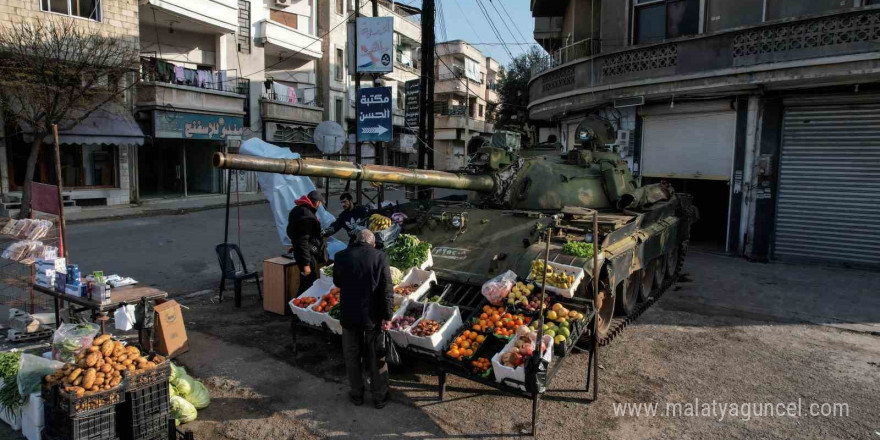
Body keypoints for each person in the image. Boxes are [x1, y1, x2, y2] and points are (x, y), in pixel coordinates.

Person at [334, 229, 394, 408]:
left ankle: (357, 394)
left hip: (349, 315)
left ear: (356, 241)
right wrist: (387, 315)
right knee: (377, 357)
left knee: (352, 356)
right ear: (373, 244)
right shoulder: (380, 256)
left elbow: (337, 282)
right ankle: (379, 397)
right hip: (372, 317)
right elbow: (386, 290)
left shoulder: (340, 256)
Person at [287, 190, 327, 292]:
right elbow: (303, 240)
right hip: (307, 256)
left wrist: (294, 244)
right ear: (317, 202)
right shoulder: (307, 217)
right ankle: (297, 305)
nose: (320, 205)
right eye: (320, 203)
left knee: (308, 283)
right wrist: (306, 264)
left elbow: (292, 231)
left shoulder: (297, 210)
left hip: (301, 252)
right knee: (308, 285)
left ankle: (300, 305)